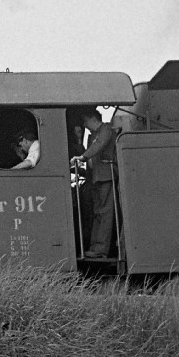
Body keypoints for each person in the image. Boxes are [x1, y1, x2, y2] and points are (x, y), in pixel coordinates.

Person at [71, 107, 117, 258]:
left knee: (105, 213)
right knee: (97, 212)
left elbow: (99, 145)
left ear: (93, 118)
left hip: (106, 176)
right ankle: (95, 247)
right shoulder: (92, 136)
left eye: (85, 121)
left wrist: (82, 157)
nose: (84, 125)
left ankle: (101, 249)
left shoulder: (106, 129)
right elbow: (91, 153)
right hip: (96, 177)